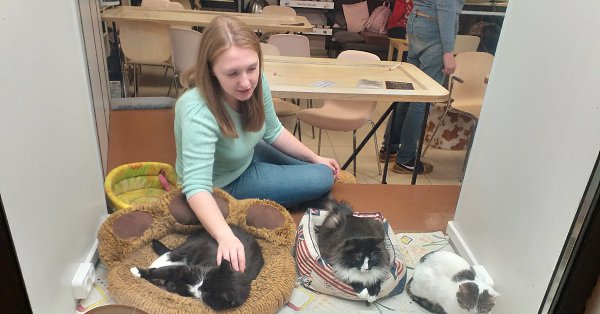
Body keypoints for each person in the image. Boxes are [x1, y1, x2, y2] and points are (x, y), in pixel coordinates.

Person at [174, 16, 339, 273]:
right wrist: (225, 236)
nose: (245, 82)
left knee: (320, 168)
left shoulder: (257, 82)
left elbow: (273, 131)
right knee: (323, 178)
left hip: (246, 152)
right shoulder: (197, 111)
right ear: (211, 70)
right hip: (226, 181)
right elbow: (196, 187)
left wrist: (314, 157)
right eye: (232, 73)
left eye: (251, 68)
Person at [380, 0, 465, 174]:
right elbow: (447, 8)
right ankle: (406, 159)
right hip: (435, 29)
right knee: (423, 99)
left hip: (417, 21)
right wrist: (448, 52)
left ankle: (389, 148)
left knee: (409, 92)